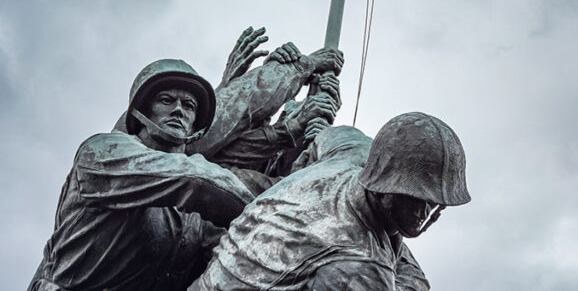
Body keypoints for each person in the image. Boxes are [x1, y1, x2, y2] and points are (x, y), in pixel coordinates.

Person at [29, 30, 344, 291]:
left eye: (189, 105)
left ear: (197, 125)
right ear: (140, 112)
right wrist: (293, 211)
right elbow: (196, 180)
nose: (178, 110)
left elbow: (249, 250)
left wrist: (307, 157)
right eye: (166, 100)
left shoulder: (194, 221)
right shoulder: (103, 154)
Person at [190, 112, 471, 291]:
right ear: (386, 186)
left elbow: (325, 135)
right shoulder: (360, 267)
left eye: (435, 204)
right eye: (415, 200)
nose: (425, 213)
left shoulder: (352, 152)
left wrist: (302, 171)